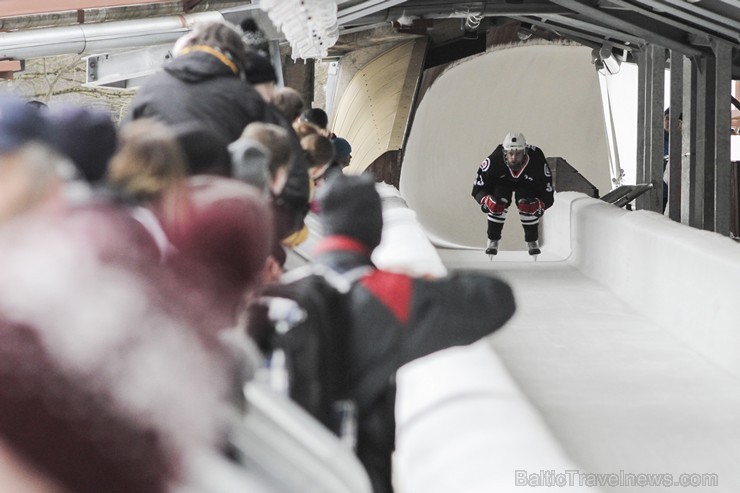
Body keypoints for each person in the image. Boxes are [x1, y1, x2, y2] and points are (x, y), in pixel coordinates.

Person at [251, 174, 516, 493]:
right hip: (352, 475)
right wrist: (419, 281)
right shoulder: (390, 293)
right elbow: (496, 299)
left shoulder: (278, 293)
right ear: (375, 231)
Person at [125, 20, 266, 143]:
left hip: (163, 171)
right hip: (221, 171)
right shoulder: (245, 96)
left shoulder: (150, 87)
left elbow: (124, 142)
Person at [471, 131, 554, 256]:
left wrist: (539, 205)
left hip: (527, 186)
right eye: (510, 154)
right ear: (505, 152)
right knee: (498, 200)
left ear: (525, 152)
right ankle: (493, 239)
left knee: (527, 202)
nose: (514, 158)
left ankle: (532, 239)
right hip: (502, 185)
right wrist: (486, 200)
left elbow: (548, 191)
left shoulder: (537, 158)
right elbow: (477, 188)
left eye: (518, 154)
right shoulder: (494, 160)